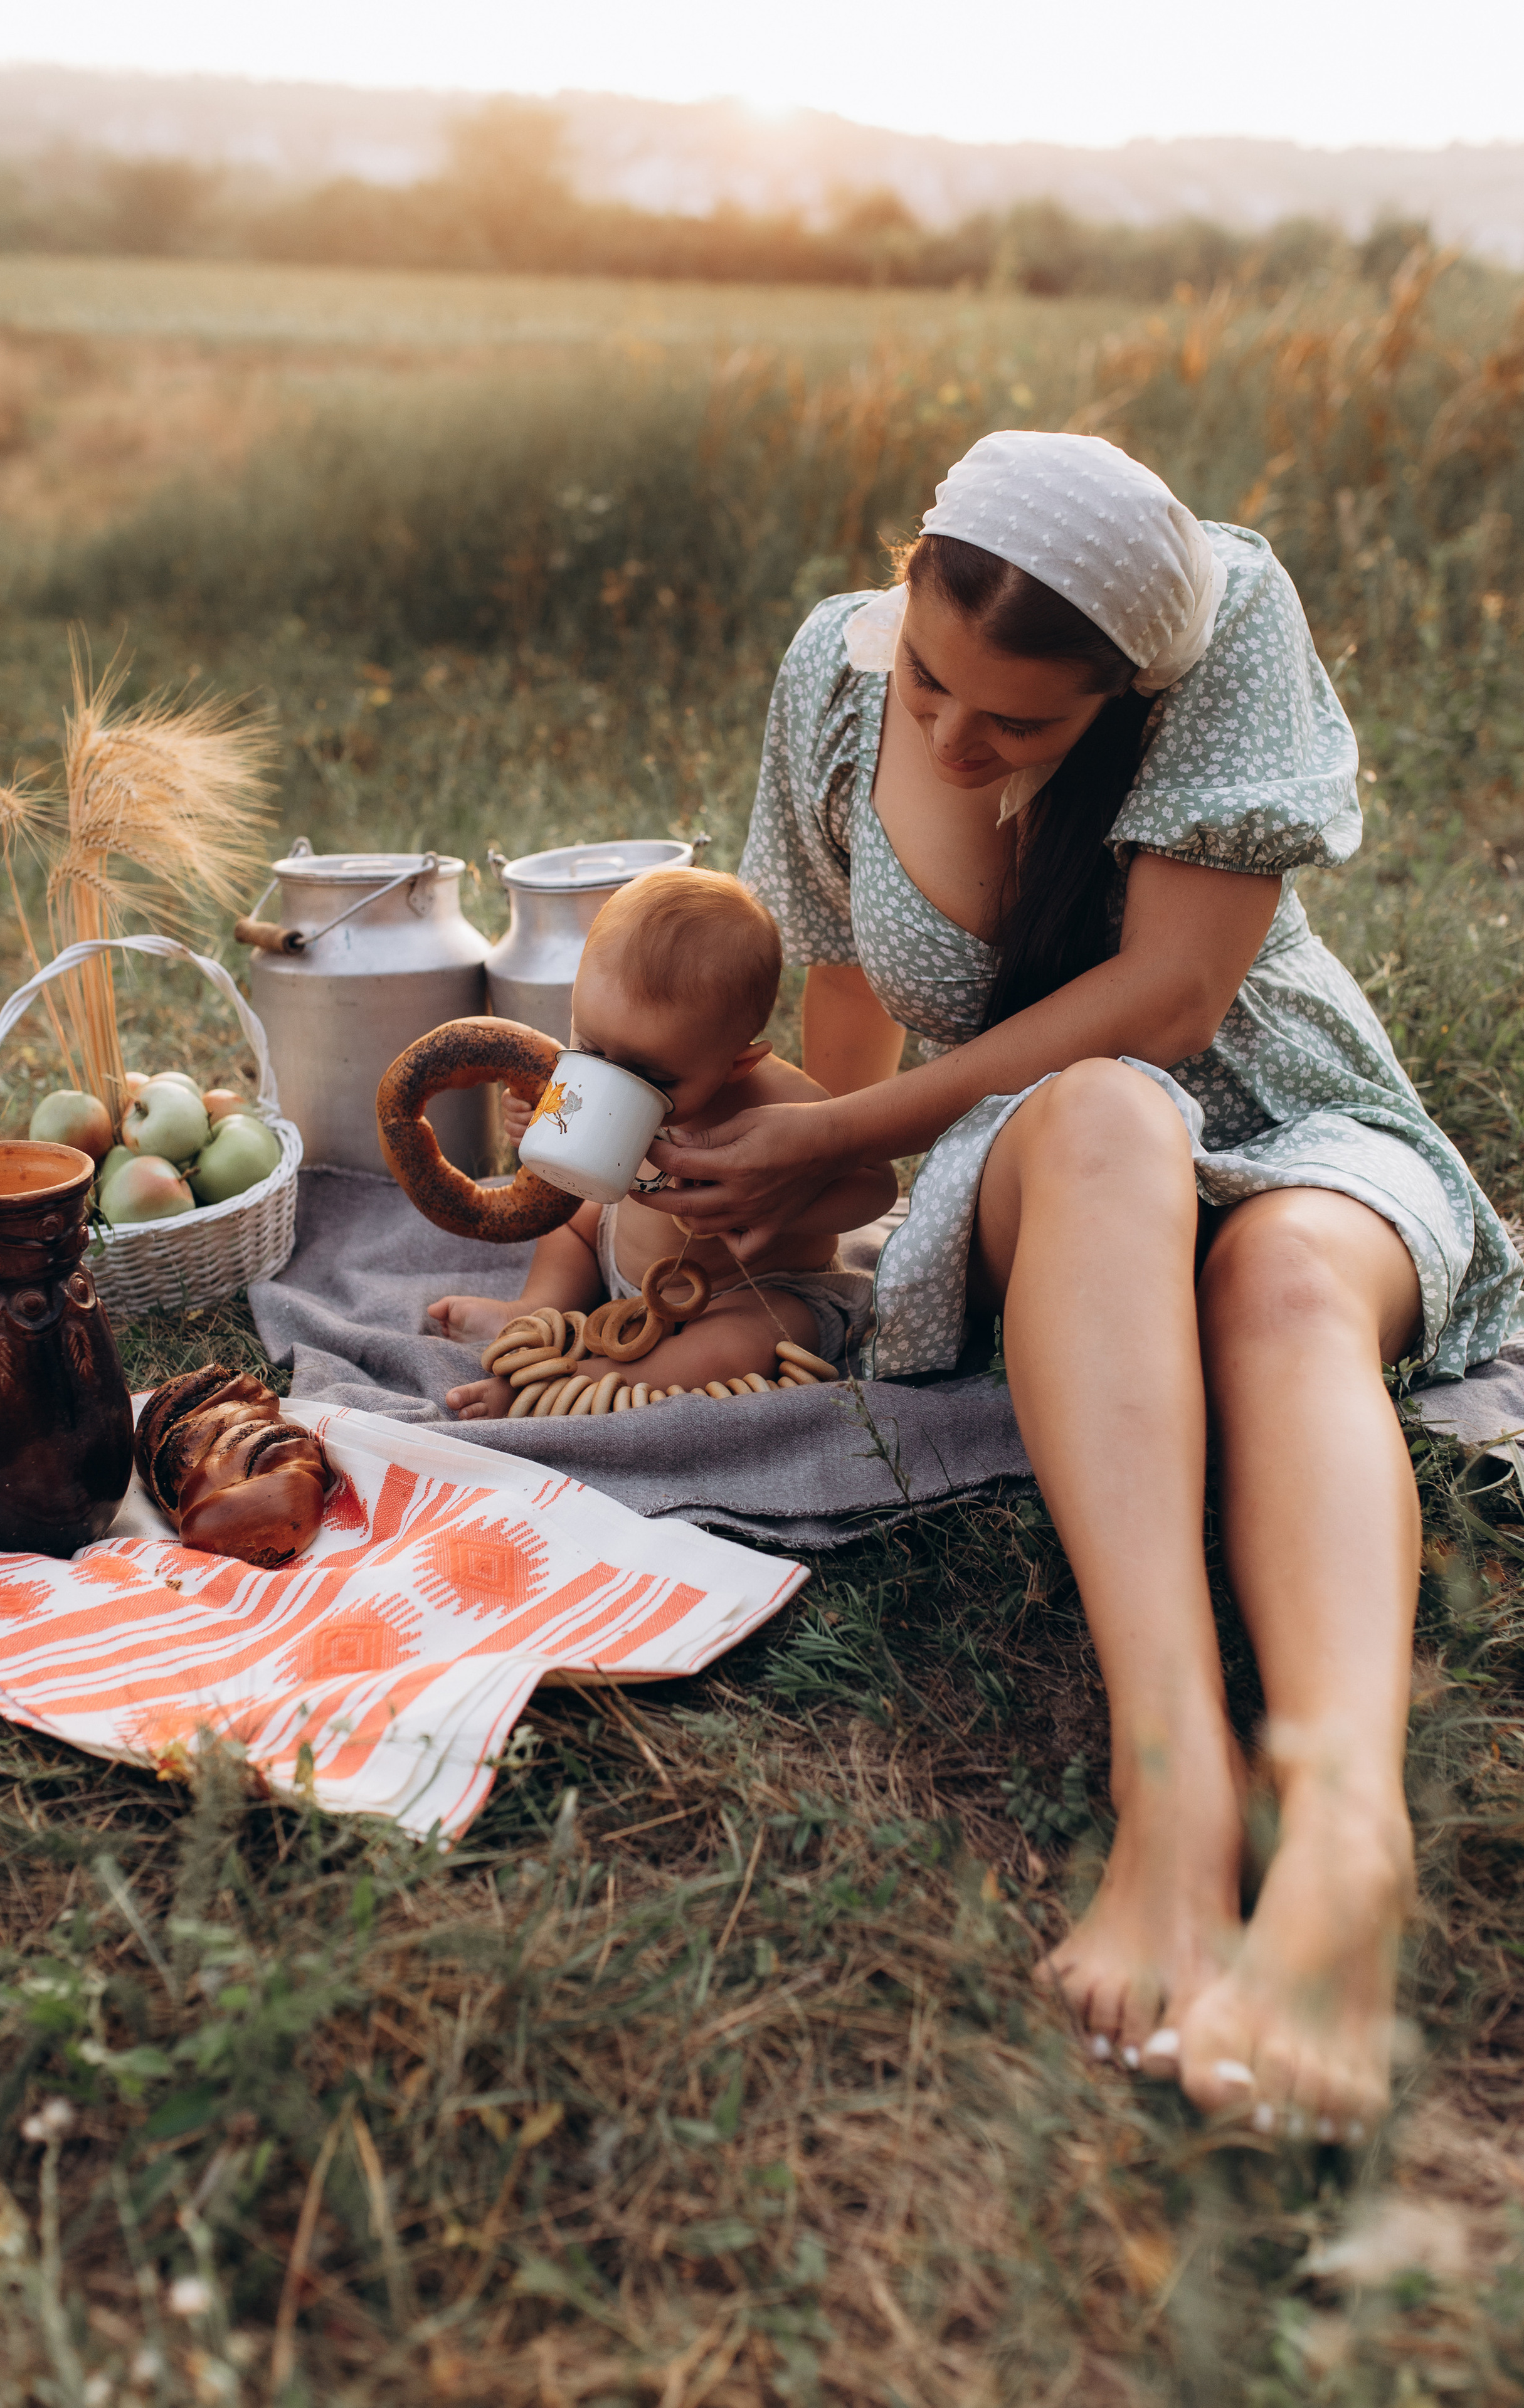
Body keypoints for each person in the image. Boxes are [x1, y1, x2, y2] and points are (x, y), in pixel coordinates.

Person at [640, 431, 1522, 2141]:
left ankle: (1349, 1837)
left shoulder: (1226, 617)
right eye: (933, 688)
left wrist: (876, 1124)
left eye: (1020, 725)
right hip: (1056, 1163)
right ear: (905, 583)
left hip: (1298, 1121)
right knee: (1107, 1123)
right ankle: (1171, 1788)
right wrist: (800, 1189)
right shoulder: (829, 676)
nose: (955, 743)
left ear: (1121, 691)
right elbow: (843, 1005)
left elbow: (1176, 1001)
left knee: (1280, 1282)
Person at [431, 867, 895, 1413]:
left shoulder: (781, 1103)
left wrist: (784, 1206)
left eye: (653, 1078)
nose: (611, 1077)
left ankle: (584, 1378)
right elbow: (566, 1121)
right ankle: (536, 1311)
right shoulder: (609, 1047)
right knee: (573, 1221)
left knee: (746, 1341)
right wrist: (533, 1119)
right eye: (593, 1050)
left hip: (747, 1289)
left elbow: (878, 1187)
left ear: (736, 1062)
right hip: (618, 1256)